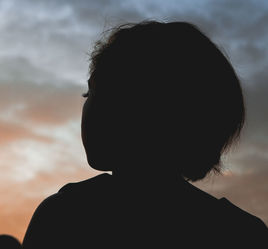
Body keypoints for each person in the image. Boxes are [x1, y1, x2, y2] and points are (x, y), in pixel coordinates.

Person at [22, 21, 268, 248]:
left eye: (92, 93)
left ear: (130, 109)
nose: (86, 107)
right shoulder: (242, 232)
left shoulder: (67, 216)